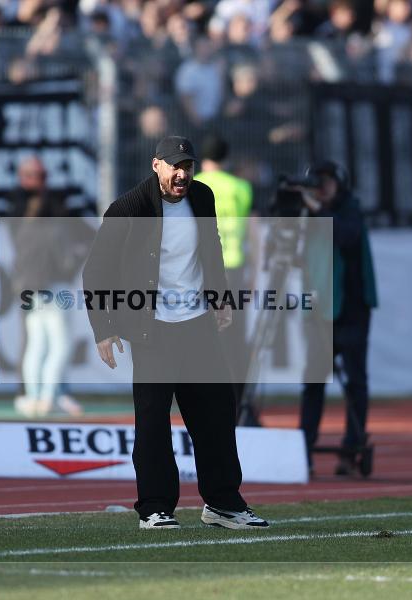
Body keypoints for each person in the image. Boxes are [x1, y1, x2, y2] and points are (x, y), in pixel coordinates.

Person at [82, 135, 269, 530]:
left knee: (217, 415)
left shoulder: (202, 197)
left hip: (197, 324)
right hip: (152, 329)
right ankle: (154, 508)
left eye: (187, 166)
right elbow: (96, 271)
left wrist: (219, 297)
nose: (182, 173)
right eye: (174, 166)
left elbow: (211, 247)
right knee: (153, 422)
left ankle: (223, 504)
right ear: (156, 166)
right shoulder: (128, 208)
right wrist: (104, 327)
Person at [297, 160, 378, 477]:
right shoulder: (305, 212)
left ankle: (352, 446)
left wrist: (316, 208)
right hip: (318, 308)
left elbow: (345, 235)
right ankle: (304, 449)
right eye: (316, 182)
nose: (321, 187)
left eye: (326, 181)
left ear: (338, 183)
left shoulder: (350, 209)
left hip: (352, 309)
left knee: (355, 382)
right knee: (313, 383)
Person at [8, 156, 86, 418]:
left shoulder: (21, 229)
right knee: (59, 346)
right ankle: (48, 396)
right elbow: (66, 262)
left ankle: (32, 396)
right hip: (52, 290)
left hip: (29, 290)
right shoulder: (54, 230)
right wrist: (73, 264)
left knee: (36, 345)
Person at [193, 133, 258, 407]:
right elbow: (253, 231)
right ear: (226, 158)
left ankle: (203, 400)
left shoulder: (191, 186)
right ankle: (238, 401)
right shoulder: (241, 188)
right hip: (233, 269)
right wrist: (254, 269)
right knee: (235, 339)